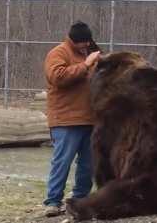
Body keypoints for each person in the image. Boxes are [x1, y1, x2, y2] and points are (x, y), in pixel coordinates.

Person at [43, 21, 101, 217]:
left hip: (90, 119)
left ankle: (79, 199)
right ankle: (53, 201)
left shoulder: (90, 53)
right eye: (83, 42)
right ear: (73, 40)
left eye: (88, 42)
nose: (86, 45)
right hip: (66, 119)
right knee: (62, 162)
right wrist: (85, 65)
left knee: (88, 163)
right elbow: (58, 77)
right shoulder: (58, 53)